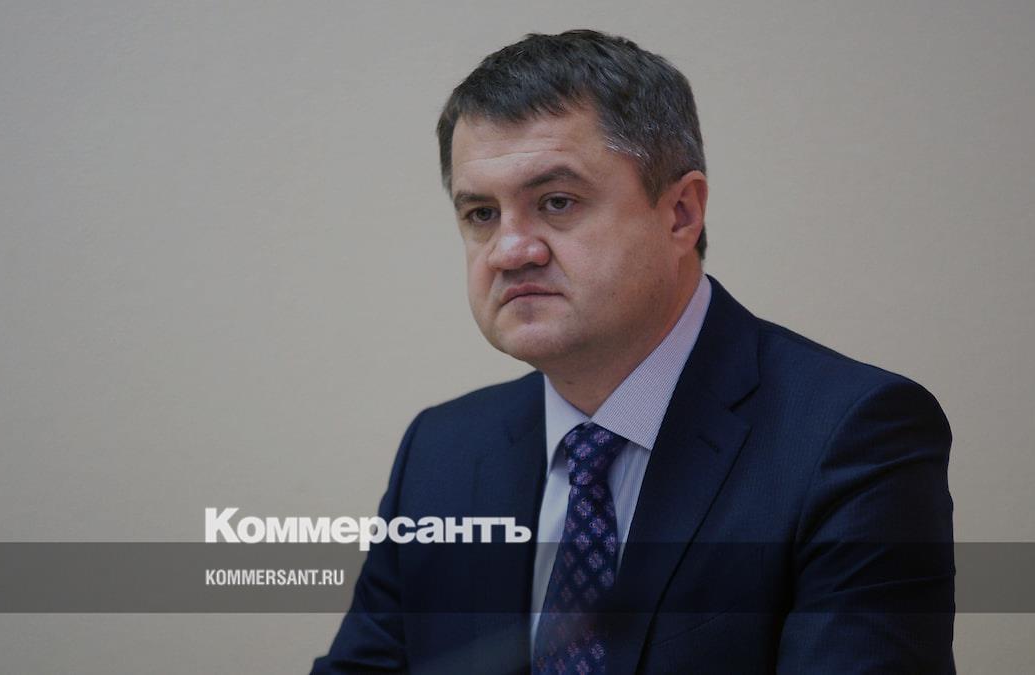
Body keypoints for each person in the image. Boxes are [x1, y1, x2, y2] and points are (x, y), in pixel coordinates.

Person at [313, 29, 954, 674]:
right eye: (482, 214)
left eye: (556, 203)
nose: (510, 250)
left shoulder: (852, 438)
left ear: (680, 213)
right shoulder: (441, 453)